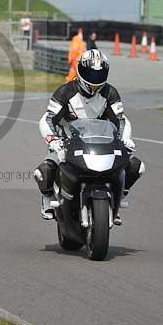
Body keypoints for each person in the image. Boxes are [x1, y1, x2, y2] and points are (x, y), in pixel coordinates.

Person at [33, 49, 145, 225]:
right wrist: (53, 140)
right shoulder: (65, 92)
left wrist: (125, 139)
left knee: (136, 166)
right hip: (66, 142)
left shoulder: (110, 93)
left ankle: (117, 198)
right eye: (90, 74)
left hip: (101, 143)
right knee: (44, 171)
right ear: (80, 70)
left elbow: (121, 121)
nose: (94, 80)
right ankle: (48, 199)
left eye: (99, 74)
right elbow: (47, 119)